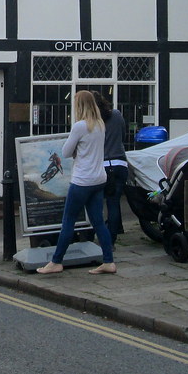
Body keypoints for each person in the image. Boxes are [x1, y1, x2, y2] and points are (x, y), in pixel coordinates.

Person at [36, 90, 116, 275]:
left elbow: (65, 152)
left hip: (82, 180)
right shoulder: (100, 124)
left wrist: (75, 152)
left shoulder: (80, 126)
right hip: (99, 179)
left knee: (68, 222)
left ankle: (56, 262)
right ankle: (108, 261)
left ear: (79, 106)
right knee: (98, 222)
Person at [93, 91, 127, 242]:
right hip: (120, 163)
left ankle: (100, 237)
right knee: (114, 203)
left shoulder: (93, 122)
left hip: (103, 165)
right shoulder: (117, 115)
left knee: (97, 204)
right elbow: (123, 135)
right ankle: (112, 239)